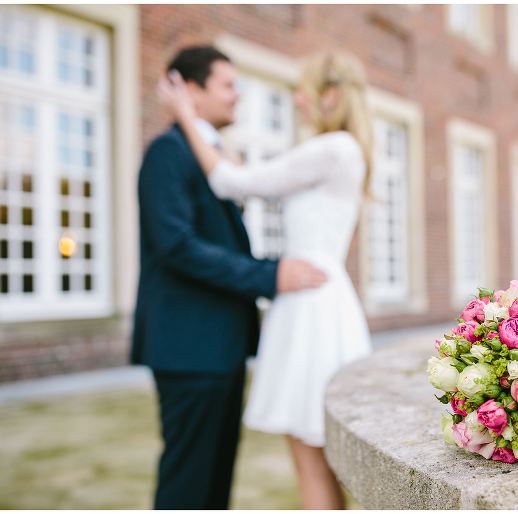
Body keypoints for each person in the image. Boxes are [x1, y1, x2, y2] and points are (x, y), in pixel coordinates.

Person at [157, 50, 373, 509]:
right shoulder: (341, 149)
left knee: (310, 457)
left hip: (309, 302)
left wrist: (183, 115)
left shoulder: (330, 147)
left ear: (329, 96)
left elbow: (231, 182)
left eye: (304, 91)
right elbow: (244, 172)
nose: (296, 101)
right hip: (317, 299)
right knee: (320, 454)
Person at [132, 45, 327, 510]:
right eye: (227, 85)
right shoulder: (168, 152)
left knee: (216, 479)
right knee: (189, 480)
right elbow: (177, 247)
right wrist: (270, 275)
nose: (237, 95)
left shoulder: (210, 154)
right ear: (191, 89)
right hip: (189, 348)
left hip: (220, 345)